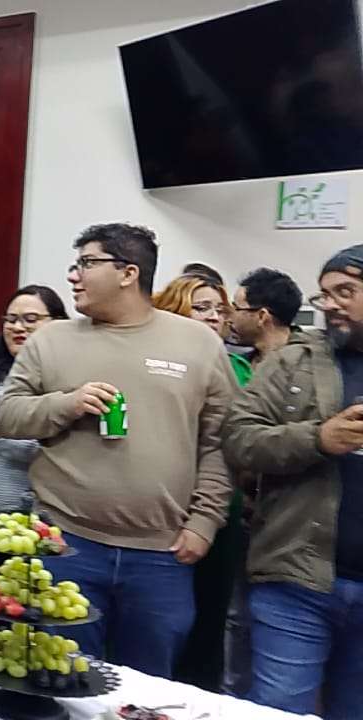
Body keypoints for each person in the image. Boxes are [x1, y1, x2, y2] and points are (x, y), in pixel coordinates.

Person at [0, 223, 236, 678]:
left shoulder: (198, 343)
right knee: (59, 681)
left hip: (162, 554)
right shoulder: (52, 339)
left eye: (87, 263)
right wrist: (66, 404)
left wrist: (204, 522)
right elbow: (7, 416)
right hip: (65, 544)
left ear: (128, 273)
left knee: (145, 690)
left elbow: (220, 442)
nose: (73, 275)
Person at [221, 245, 363, 720]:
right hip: (297, 580)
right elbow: (238, 438)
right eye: (324, 295)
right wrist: (318, 439)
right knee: (280, 711)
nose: (331, 305)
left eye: (346, 292)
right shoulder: (294, 362)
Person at [152, 273, 251, 691]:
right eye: (201, 307)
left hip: (218, 510)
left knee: (209, 619)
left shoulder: (239, 367)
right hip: (161, 508)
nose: (213, 316)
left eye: (219, 309)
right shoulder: (154, 361)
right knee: (161, 626)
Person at [0, 285, 68, 637]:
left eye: (31, 319)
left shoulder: (66, 381)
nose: (18, 327)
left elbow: (58, 447)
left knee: (31, 625)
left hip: (37, 527)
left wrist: (6, 429)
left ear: (58, 322)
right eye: (11, 319)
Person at [216, 266, 302, 697]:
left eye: (237, 307)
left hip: (289, 524)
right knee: (235, 619)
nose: (229, 317)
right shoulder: (234, 364)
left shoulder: (310, 371)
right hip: (236, 515)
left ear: (262, 315)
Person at [229, 267, 303, 366]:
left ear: (262, 316)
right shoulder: (237, 366)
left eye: (236, 309)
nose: (229, 319)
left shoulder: (307, 365)